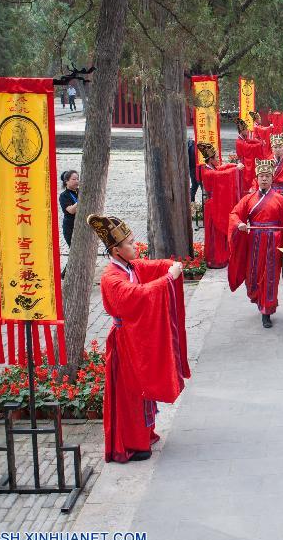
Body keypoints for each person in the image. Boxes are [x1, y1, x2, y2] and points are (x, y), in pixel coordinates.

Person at [88, 214, 190, 463]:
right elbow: (138, 295)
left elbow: (151, 267)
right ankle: (131, 443)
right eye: (130, 244)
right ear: (115, 250)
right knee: (130, 393)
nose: (136, 247)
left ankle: (143, 434)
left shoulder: (130, 266)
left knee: (140, 389)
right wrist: (169, 278)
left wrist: (168, 265)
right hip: (124, 342)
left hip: (134, 338)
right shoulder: (111, 278)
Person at [227, 159, 283, 328]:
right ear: (257, 178)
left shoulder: (280, 199)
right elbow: (234, 214)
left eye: (267, 176)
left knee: (270, 276)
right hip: (255, 242)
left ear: (272, 178)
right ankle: (257, 298)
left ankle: (267, 310)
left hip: (273, 242)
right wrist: (240, 224)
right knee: (254, 275)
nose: (264, 179)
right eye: (261, 176)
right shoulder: (249, 198)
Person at [197, 142, 243, 269]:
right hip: (212, 206)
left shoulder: (211, 168)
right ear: (210, 160)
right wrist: (235, 169)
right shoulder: (207, 172)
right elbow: (221, 175)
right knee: (214, 233)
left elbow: (223, 168)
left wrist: (233, 165)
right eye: (216, 158)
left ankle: (221, 255)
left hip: (214, 204)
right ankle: (215, 259)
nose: (218, 160)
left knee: (218, 233)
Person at [235, 117, 271, 193]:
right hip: (244, 163)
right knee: (246, 180)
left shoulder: (243, 139)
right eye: (246, 130)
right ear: (242, 130)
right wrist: (260, 144)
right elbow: (249, 147)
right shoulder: (239, 141)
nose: (248, 131)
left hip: (248, 161)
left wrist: (258, 142)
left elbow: (250, 141)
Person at [58, 170, 79, 247]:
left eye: (77, 179)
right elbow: (71, 210)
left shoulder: (81, 192)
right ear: (66, 181)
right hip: (71, 227)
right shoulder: (64, 196)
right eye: (73, 179)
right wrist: (81, 198)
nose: (76, 181)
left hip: (83, 226)